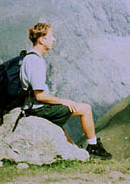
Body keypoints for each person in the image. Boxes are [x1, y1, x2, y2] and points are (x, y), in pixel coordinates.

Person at [20, 22, 112, 159]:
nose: (54, 39)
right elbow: (39, 95)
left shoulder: (29, 57)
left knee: (61, 127)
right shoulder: (35, 61)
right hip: (38, 108)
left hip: (32, 106)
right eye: (51, 36)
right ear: (42, 39)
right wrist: (64, 101)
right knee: (85, 109)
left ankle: (75, 152)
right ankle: (93, 147)